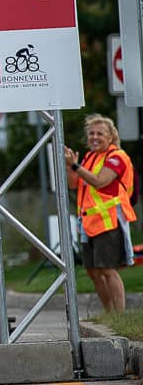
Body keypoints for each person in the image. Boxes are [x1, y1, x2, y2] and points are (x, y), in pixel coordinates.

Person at [64, 113, 137, 314]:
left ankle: (120, 316)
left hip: (109, 220)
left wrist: (75, 166)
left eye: (100, 134)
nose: (95, 137)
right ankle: (109, 313)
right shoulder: (89, 157)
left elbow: (99, 181)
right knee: (93, 271)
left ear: (111, 137)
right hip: (89, 222)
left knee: (107, 269)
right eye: (91, 134)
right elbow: (74, 185)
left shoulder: (117, 157)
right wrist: (71, 167)